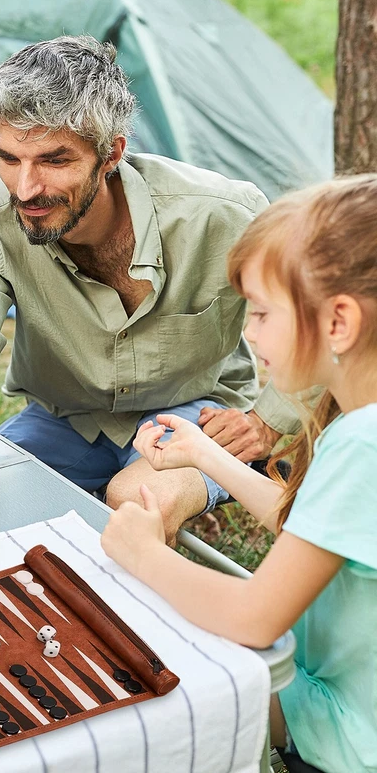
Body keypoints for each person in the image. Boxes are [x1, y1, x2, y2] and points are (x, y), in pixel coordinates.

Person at [0, 36, 302, 605]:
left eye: (54, 160)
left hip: (195, 412)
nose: (26, 188)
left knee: (134, 499)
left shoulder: (223, 214)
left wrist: (272, 419)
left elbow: (325, 314)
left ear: (111, 154)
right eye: (9, 158)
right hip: (66, 419)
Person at [101, 176, 377, 773]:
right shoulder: (361, 424)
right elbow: (306, 522)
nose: (248, 333)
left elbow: (257, 615)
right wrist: (206, 453)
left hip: (346, 733)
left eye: (260, 312)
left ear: (339, 324)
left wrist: (146, 554)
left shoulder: (362, 443)